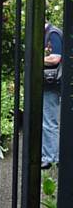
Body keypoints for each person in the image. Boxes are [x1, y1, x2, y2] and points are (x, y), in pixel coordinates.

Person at [42, 22, 63, 169]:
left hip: (52, 84)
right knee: (47, 120)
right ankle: (48, 154)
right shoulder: (47, 33)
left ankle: (51, 157)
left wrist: (36, 57)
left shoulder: (53, 33)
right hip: (46, 83)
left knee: (50, 121)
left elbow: (56, 57)